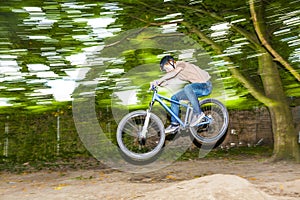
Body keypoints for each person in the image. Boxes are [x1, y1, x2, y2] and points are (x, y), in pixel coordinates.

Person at [151, 55, 212, 133]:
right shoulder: (178, 74)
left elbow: (173, 73)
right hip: (195, 89)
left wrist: (159, 80)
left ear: (171, 62)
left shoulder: (181, 64)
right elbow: (168, 81)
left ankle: (198, 114)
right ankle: (175, 124)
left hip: (205, 85)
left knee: (187, 88)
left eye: (166, 69)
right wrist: (156, 83)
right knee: (174, 98)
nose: (167, 71)